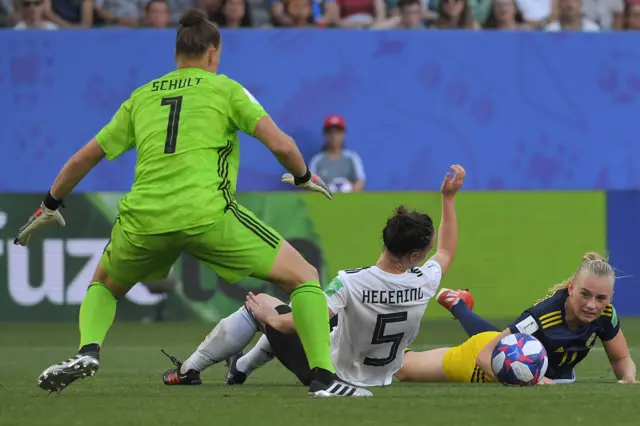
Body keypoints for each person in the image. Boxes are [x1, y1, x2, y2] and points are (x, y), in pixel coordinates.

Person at [13, 8, 371, 398]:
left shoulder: (142, 97)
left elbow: (85, 157)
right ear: (213, 54)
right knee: (303, 276)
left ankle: (89, 349)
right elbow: (282, 144)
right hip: (207, 213)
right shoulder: (226, 89)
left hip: (143, 219)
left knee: (103, 285)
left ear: (175, 53)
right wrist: (304, 176)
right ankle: (323, 377)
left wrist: (49, 204)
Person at [161, 165, 465, 389]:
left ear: (386, 240)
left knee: (265, 305)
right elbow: (447, 251)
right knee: (323, 316)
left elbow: (305, 321)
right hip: (381, 377)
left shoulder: (351, 281)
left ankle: (190, 370)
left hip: (328, 373)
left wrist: (272, 319)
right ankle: (239, 368)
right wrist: (448, 199)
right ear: (414, 256)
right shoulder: (424, 280)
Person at [395, 253, 639, 385]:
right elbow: (484, 356)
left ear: (610, 297)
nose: (591, 305)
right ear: (572, 288)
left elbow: (621, 357)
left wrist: (628, 378)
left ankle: (457, 303)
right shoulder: (543, 315)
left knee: (495, 334)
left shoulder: (606, 313)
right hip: (483, 363)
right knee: (401, 369)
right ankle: (379, 347)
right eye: (585, 294)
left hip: (511, 348)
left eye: (601, 298)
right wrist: (528, 381)